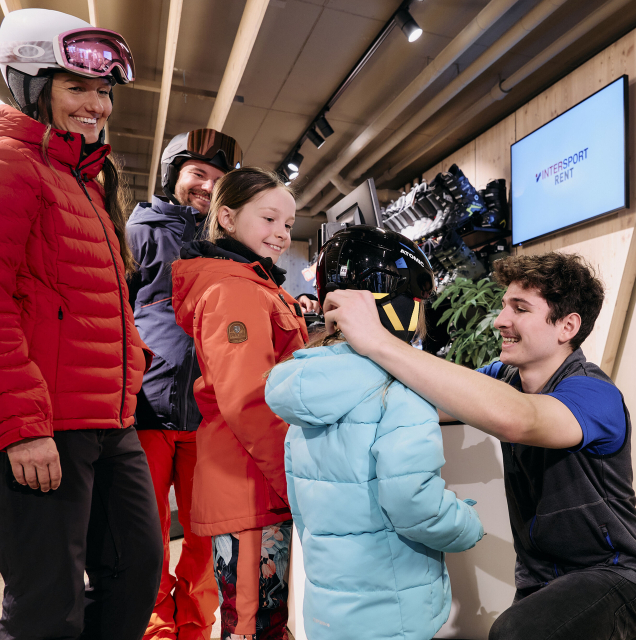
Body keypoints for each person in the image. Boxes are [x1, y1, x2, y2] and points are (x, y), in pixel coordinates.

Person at [324, 252, 636, 640]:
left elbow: (518, 419)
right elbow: (433, 398)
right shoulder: (504, 376)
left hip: (615, 572)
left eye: (520, 309)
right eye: (504, 306)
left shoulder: (594, 393)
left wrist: (377, 340)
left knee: (512, 634)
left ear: (567, 326)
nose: (501, 321)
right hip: (539, 576)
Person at [0, 8, 163, 639]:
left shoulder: (83, 178)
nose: (96, 104)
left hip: (108, 419)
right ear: (30, 86)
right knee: (47, 604)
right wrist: (20, 427)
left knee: (136, 569)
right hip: (45, 425)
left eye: (103, 91)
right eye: (77, 87)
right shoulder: (14, 167)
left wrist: (135, 359)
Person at [264, 226, 484, 640]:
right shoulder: (401, 391)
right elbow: (412, 501)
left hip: (329, 607)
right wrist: (467, 523)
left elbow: (301, 500)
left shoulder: (305, 387)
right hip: (394, 609)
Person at [171, 167, 307, 640]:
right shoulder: (235, 290)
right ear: (226, 217)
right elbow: (249, 400)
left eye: (288, 225)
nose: (281, 235)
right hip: (253, 483)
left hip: (254, 482)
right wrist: (291, 479)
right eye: (269, 219)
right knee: (253, 625)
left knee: (258, 620)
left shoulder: (250, 283)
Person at [127, 129, 243, 640]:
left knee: (205, 540)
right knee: (144, 539)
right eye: (198, 173)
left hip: (209, 416)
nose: (206, 185)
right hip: (145, 412)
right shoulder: (139, 229)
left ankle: (194, 630)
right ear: (174, 173)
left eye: (218, 180)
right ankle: (153, 631)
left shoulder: (229, 244)